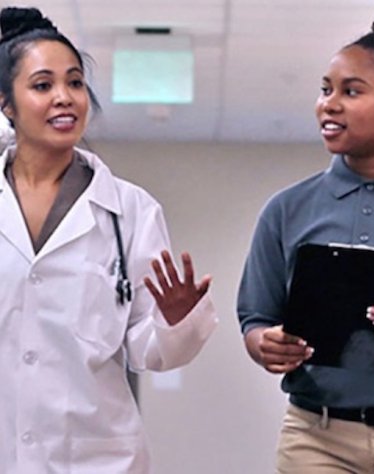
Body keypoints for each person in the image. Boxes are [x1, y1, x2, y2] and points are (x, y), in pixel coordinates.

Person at [0, 6, 218, 474]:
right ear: (6, 104)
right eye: (42, 85)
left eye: (75, 82)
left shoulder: (131, 211)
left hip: (95, 459)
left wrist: (174, 320)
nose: (65, 97)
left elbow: (147, 350)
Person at [237, 2, 374, 473]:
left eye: (351, 91)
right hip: (315, 440)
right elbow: (255, 318)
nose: (329, 104)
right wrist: (266, 343)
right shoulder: (287, 209)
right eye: (325, 90)